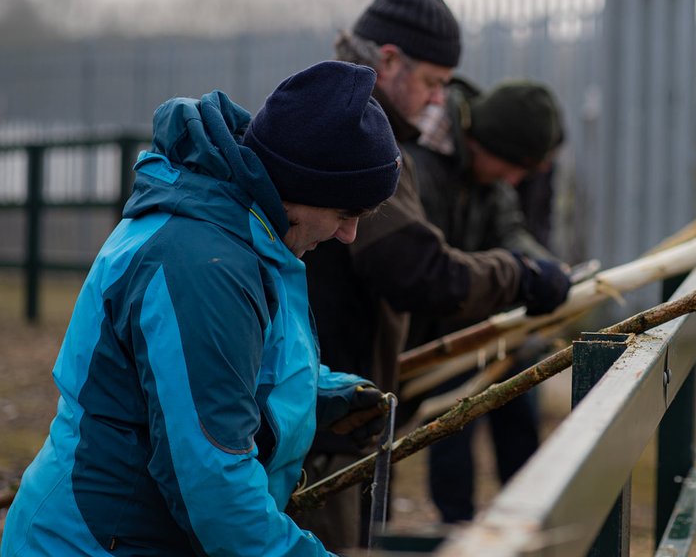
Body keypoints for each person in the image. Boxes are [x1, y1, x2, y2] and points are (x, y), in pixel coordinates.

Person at [1, 61, 401, 557]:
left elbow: (221, 370)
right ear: (304, 185)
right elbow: (213, 487)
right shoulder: (203, 265)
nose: (349, 234)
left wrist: (319, 393)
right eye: (346, 214)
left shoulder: (241, 231)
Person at [299, 0, 571, 546]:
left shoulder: (359, 123)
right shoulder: (353, 130)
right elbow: (414, 268)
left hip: (344, 401)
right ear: (390, 60)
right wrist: (517, 275)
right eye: (430, 83)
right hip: (322, 406)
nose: (434, 100)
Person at [406, 77, 566, 523]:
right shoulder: (421, 168)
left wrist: (545, 269)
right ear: (486, 142)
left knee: (520, 414)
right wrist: (519, 275)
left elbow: (510, 230)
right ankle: (454, 530)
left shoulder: (489, 179)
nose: (514, 180)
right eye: (512, 165)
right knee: (449, 434)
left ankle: (528, 524)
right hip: (437, 338)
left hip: (491, 324)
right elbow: (428, 270)